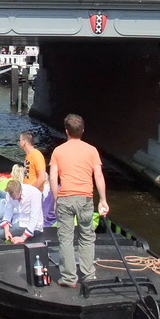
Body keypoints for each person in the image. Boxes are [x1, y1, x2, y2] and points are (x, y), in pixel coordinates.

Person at [49, 113, 109, 287]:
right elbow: (98, 175)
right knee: (86, 236)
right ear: (82, 130)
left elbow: (53, 178)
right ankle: (89, 275)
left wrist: (55, 199)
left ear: (66, 131)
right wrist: (102, 200)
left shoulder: (58, 151)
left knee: (65, 238)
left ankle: (68, 278)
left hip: (65, 198)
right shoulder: (92, 150)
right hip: (85, 198)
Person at [0, 178, 44, 243]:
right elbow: (7, 213)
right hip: (19, 222)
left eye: (18, 197)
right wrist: (7, 231)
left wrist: (23, 238)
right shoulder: (9, 194)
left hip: (32, 227)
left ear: (21, 190)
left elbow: (34, 218)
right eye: (14, 198)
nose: (17, 199)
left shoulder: (34, 193)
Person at [19, 131, 52, 226]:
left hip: (34, 194)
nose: (19, 142)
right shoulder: (28, 156)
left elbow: (42, 177)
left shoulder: (36, 155)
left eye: (20, 140)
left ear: (24, 142)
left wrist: (32, 191)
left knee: (34, 222)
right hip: (27, 194)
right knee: (27, 222)